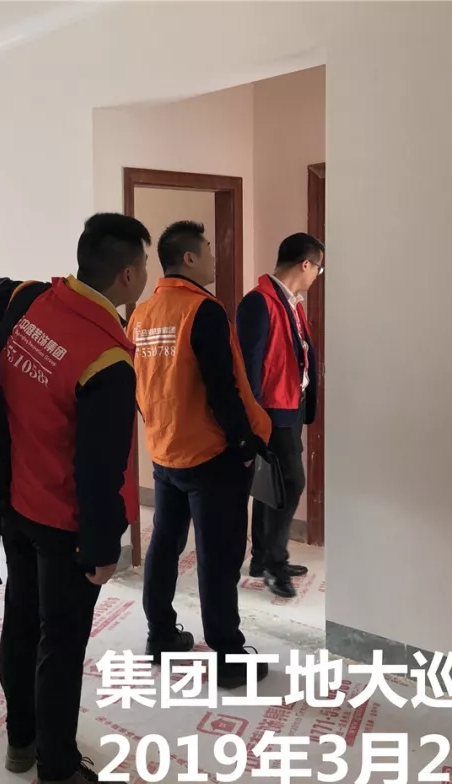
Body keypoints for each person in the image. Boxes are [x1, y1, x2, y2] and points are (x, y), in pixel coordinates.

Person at [0, 213, 149, 784]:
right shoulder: (106, 358)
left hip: (16, 505)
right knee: (60, 645)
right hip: (63, 527)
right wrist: (104, 549)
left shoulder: (31, 300)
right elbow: (99, 471)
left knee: (21, 624)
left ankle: (22, 741)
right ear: (128, 275)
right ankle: (57, 777)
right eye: (144, 267)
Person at [127, 221, 272, 688]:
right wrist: (244, 444)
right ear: (189, 258)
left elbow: (139, 383)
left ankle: (160, 636)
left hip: (165, 452)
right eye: (208, 249)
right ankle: (228, 657)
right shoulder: (202, 311)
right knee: (218, 557)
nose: (213, 257)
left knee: (164, 545)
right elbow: (222, 388)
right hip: (211, 456)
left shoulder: (142, 313)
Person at [236, 232, 323, 598]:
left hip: (290, 406)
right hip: (271, 411)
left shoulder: (291, 303)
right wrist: (254, 422)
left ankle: (262, 557)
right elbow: (249, 368)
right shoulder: (259, 302)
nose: (317, 275)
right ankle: (274, 562)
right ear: (305, 264)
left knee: (272, 484)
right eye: (318, 268)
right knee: (291, 483)